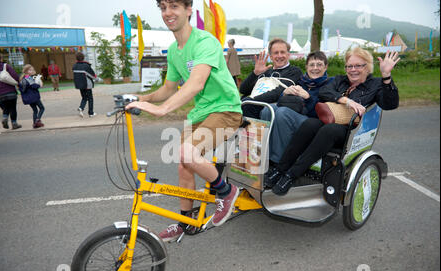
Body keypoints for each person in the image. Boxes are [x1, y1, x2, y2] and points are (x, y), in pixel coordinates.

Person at [126, 0, 243, 242]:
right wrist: (142, 98)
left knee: (188, 153)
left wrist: (162, 110)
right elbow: (169, 88)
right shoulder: (174, 50)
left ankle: (227, 191)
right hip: (201, 113)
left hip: (226, 110)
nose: (167, 13)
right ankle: (185, 223)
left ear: (189, 10)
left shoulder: (205, 42)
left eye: (174, 6)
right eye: (163, 8)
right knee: (184, 163)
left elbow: (197, 82)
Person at [270, 48, 400, 196]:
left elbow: (390, 104)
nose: (353, 70)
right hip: (331, 120)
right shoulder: (340, 80)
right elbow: (324, 92)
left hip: (350, 130)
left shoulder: (375, 84)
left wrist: (386, 75)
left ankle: (291, 175)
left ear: (368, 67)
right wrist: (346, 101)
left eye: (358, 66)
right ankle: (279, 169)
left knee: (328, 130)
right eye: (349, 66)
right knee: (310, 124)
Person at [260, 51, 333, 187]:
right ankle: (266, 158)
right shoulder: (301, 81)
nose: (315, 68)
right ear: (306, 67)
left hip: (314, 122)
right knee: (268, 110)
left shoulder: (329, 83)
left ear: (326, 67)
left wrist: (308, 98)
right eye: (312, 65)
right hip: (296, 115)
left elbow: (323, 112)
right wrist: (284, 93)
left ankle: (279, 163)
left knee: (282, 113)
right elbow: (285, 102)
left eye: (319, 64)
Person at [239, 38, 302, 119]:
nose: (279, 56)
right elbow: (243, 90)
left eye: (282, 52)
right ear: (271, 57)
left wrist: (252, 100)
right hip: (254, 105)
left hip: (273, 108)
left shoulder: (294, 71)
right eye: (276, 53)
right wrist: (255, 73)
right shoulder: (266, 71)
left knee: (246, 104)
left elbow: (278, 92)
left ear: (288, 54)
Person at [0, 52, 22, 130]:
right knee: (12, 108)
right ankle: (14, 124)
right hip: (9, 90)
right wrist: (18, 83)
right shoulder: (5, 66)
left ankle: (5, 118)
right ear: (1, 59)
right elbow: (15, 76)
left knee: (5, 107)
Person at [19, 64, 45, 128]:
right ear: (27, 71)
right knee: (42, 108)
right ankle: (37, 120)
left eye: (33, 69)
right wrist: (39, 85)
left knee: (35, 110)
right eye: (31, 70)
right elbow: (34, 86)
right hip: (34, 97)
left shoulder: (23, 79)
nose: (33, 71)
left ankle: (34, 124)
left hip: (28, 98)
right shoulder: (28, 78)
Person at [73, 52, 97, 118]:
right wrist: (95, 77)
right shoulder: (86, 66)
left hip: (80, 85)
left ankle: (81, 107)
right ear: (83, 58)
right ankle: (91, 113)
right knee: (90, 98)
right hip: (87, 85)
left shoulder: (74, 66)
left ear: (76, 58)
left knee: (84, 97)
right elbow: (93, 75)